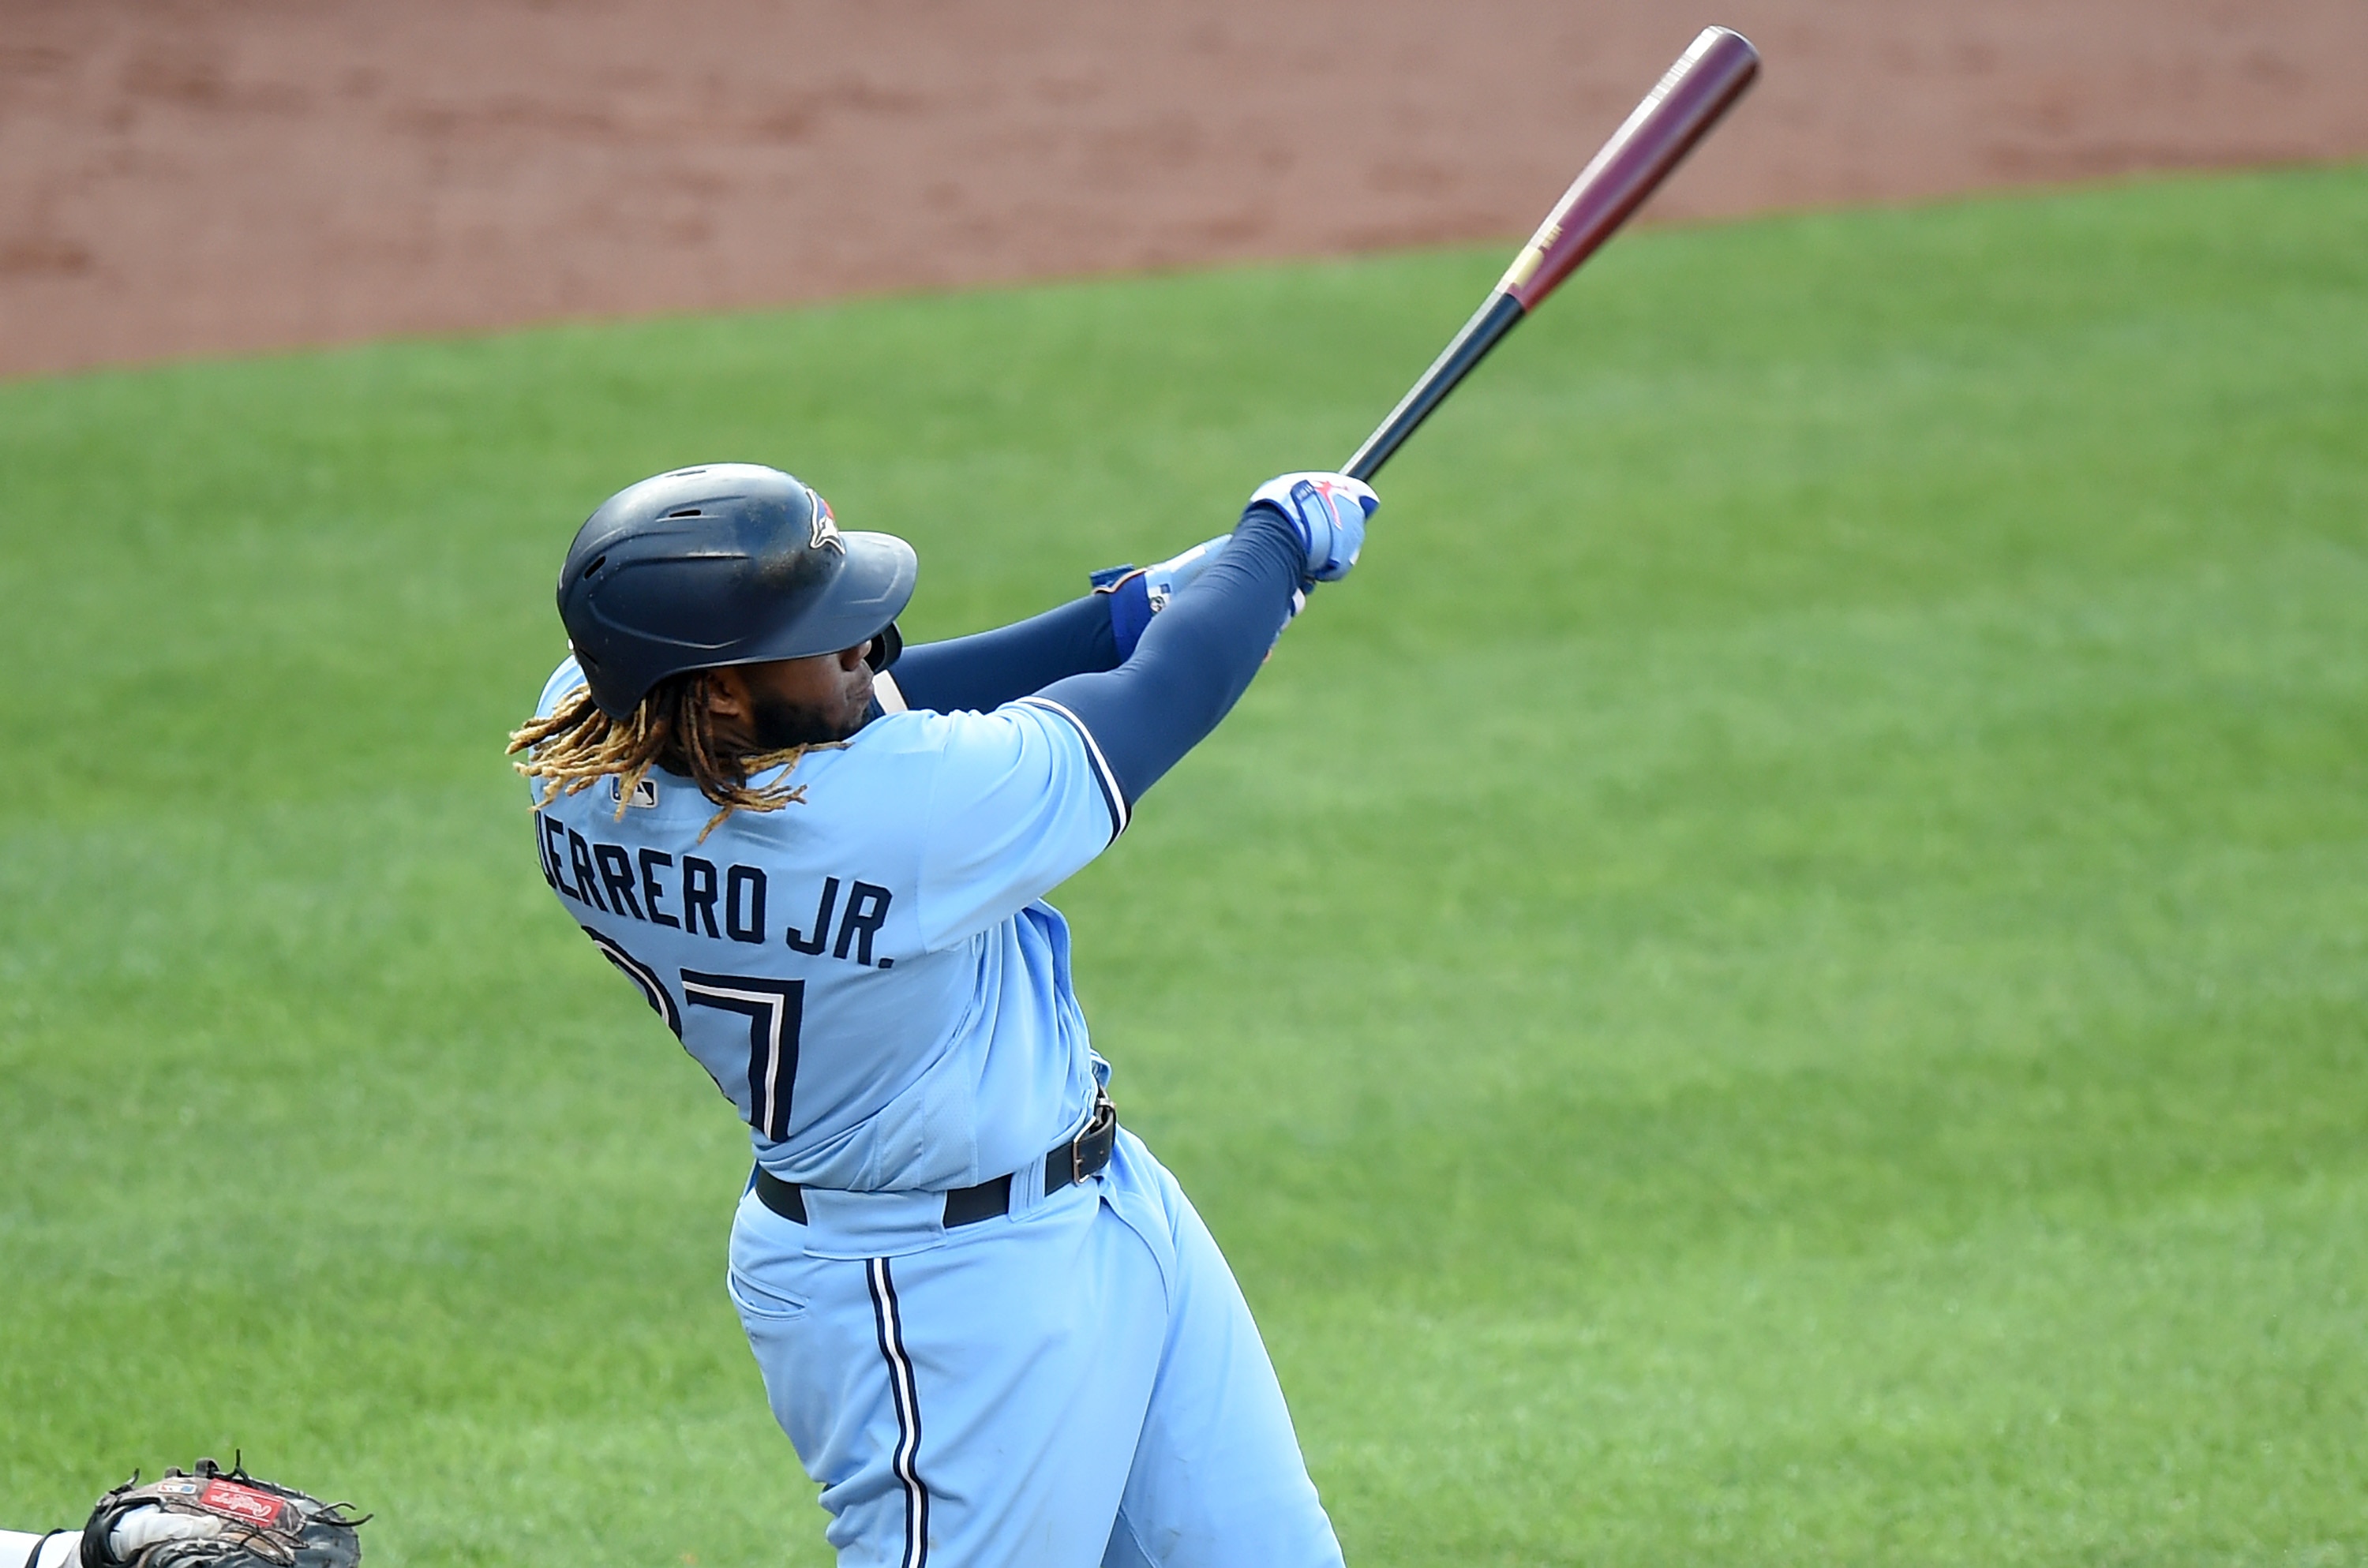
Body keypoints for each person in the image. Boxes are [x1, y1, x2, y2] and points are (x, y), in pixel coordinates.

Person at [508, 461, 1374, 1567]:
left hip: (1098, 1207)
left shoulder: (589, 747)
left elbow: (906, 698)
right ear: (722, 692)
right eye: (826, 631)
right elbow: (1156, 704)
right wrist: (1271, 549)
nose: (867, 642)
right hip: (938, 1298)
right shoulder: (892, 818)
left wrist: (1126, 610)